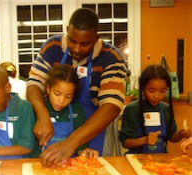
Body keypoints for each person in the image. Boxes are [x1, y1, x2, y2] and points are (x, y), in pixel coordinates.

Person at [27, 8, 127, 166]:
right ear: (67, 31)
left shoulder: (111, 58)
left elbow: (112, 106)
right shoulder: (52, 47)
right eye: (72, 41)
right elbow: (34, 85)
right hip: (52, 128)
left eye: (85, 44)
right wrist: (42, 115)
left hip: (93, 131)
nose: (76, 49)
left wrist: (71, 143)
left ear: (96, 38)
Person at [119, 65, 191, 154]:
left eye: (162, 91)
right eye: (152, 91)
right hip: (135, 159)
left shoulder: (165, 109)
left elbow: (172, 138)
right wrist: (144, 140)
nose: (157, 96)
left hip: (161, 159)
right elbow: (125, 143)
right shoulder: (133, 109)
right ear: (143, 88)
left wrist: (181, 134)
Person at [43, 65, 97, 158]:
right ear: (48, 89)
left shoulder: (76, 110)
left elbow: (80, 142)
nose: (61, 101)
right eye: (57, 94)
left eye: (68, 97)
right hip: (41, 162)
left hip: (69, 164)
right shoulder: (40, 108)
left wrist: (84, 151)